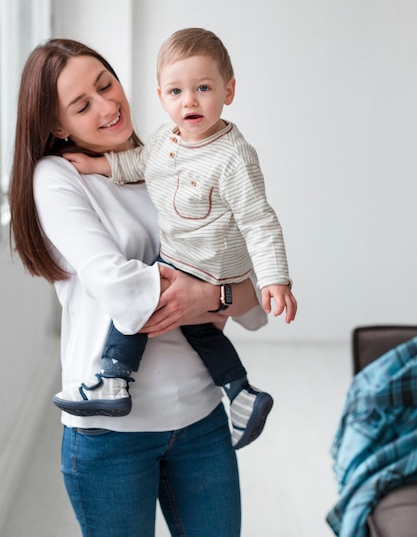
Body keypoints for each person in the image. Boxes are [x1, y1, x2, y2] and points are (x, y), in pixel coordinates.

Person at [9, 38, 273, 537]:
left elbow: (248, 293)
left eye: (106, 85)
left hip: (201, 417)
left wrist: (211, 295)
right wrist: (210, 291)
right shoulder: (59, 176)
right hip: (111, 434)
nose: (108, 106)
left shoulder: (175, 156)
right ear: (57, 126)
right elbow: (119, 289)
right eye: (83, 105)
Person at [58, 27, 297, 451]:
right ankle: (241, 392)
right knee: (201, 331)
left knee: (144, 301)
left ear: (230, 90)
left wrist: (275, 278)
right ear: (161, 96)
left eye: (203, 88)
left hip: (205, 261)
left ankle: (113, 378)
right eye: (176, 91)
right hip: (191, 260)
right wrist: (98, 166)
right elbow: (135, 163)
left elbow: (259, 220)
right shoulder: (165, 140)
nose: (189, 101)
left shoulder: (232, 156)